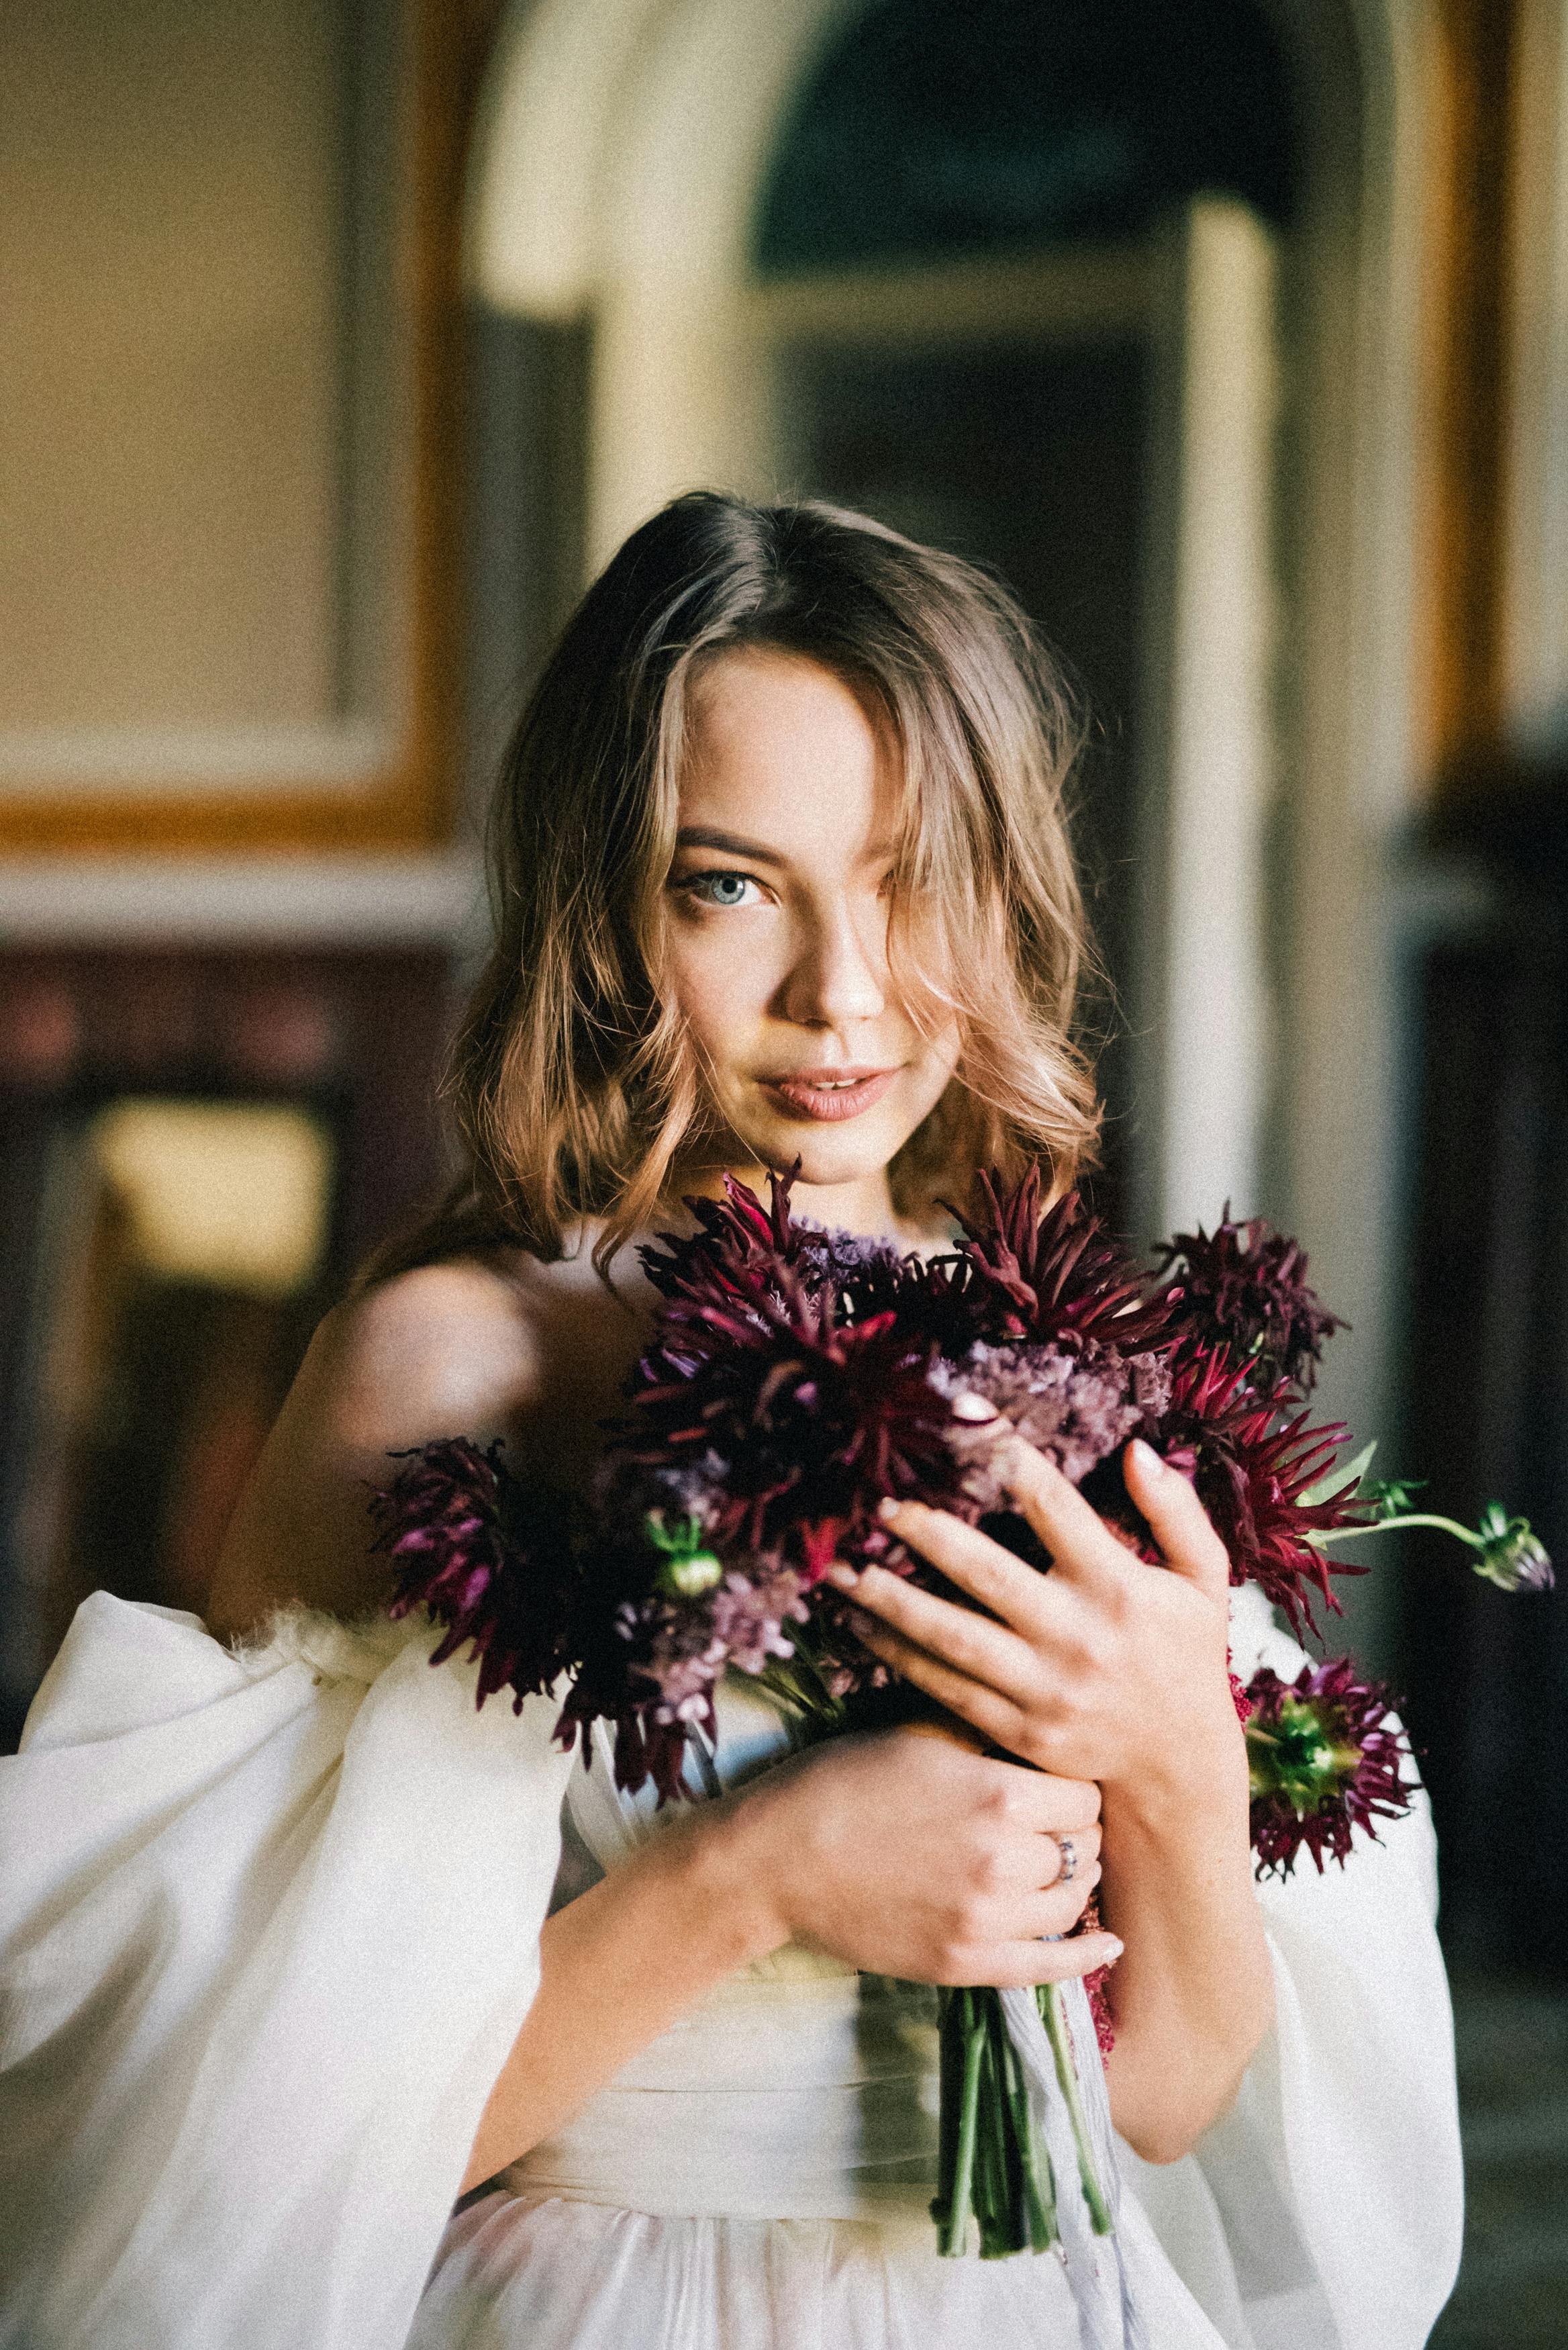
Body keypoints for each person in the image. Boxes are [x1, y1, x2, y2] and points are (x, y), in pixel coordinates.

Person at [0, 496, 1462, 2350]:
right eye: (732, 882)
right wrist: (755, 1865)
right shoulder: (450, 1364)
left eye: (906, 875)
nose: (839, 995)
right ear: (604, 899)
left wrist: (1174, 1755)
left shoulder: (1051, 1355)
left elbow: (1164, 2097)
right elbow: (252, 2142)